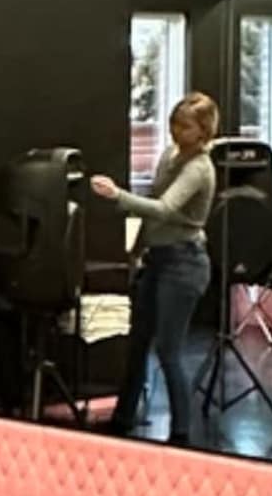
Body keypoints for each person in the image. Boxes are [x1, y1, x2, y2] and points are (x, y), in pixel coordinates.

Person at [92, 91, 221, 440]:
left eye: (186, 127)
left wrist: (117, 196)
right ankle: (123, 417)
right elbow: (154, 207)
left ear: (204, 130)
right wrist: (138, 249)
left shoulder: (199, 169)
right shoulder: (170, 156)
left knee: (168, 349)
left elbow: (164, 209)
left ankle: (181, 432)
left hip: (185, 264)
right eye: (174, 124)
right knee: (138, 342)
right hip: (159, 259)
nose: (177, 132)